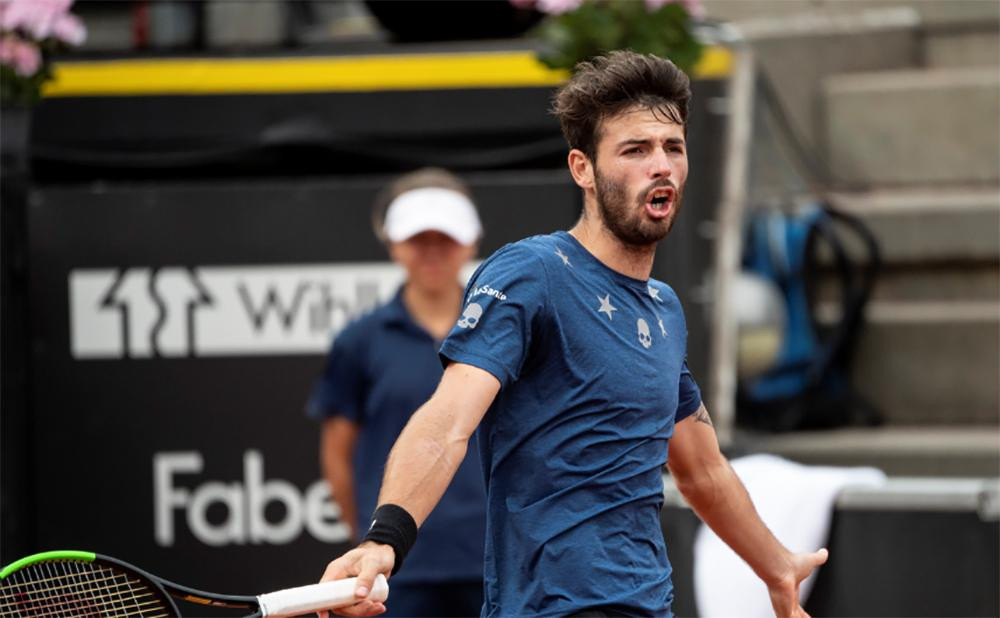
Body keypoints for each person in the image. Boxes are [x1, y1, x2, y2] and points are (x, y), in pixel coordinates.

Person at [320, 51, 828, 618]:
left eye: (673, 148)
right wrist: (385, 538)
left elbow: (701, 468)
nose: (660, 165)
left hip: (645, 605)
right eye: (635, 150)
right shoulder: (531, 273)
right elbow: (448, 420)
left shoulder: (662, 309)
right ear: (582, 169)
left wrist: (775, 565)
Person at [306, 168, 487, 617]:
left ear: (471, 242)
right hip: (397, 573)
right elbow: (337, 455)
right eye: (418, 239)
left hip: (498, 561)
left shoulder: (503, 328)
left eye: (445, 238)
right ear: (394, 245)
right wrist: (371, 535)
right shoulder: (360, 340)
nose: (432, 252)